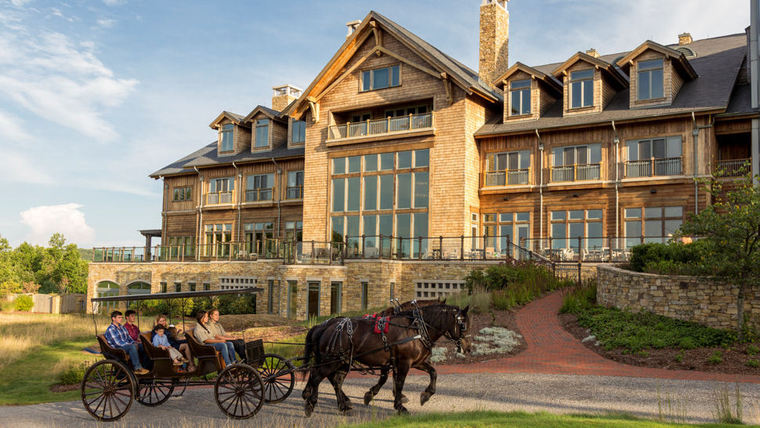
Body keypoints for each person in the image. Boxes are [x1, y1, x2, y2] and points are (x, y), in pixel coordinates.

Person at [104, 310, 149, 375]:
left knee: (142, 346)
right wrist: (131, 344)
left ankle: (145, 366)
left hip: (125, 346)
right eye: (119, 317)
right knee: (132, 347)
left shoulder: (122, 327)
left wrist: (135, 343)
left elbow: (128, 338)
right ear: (113, 318)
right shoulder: (111, 329)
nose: (121, 319)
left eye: (121, 317)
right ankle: (137, 368)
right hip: (117, 349)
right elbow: (117, 343)